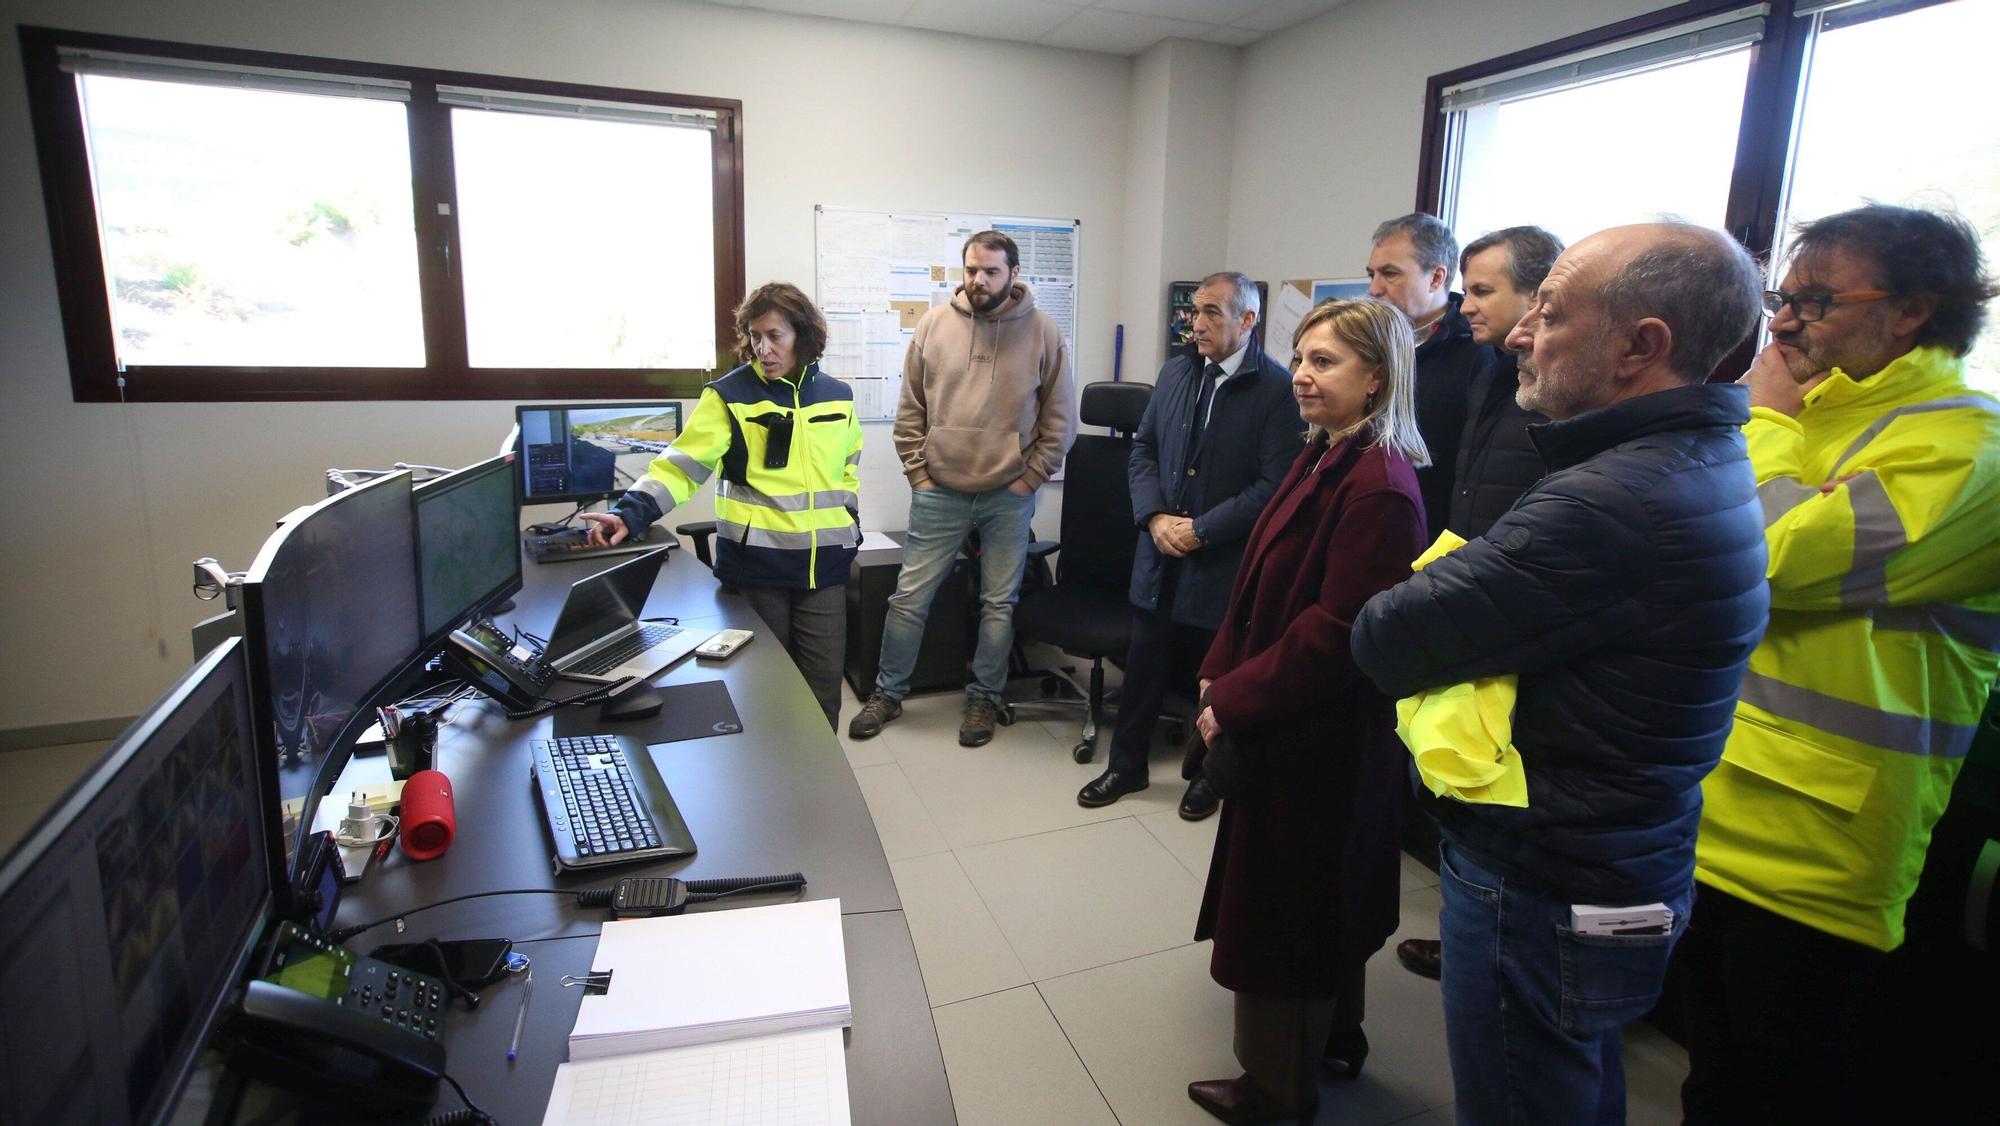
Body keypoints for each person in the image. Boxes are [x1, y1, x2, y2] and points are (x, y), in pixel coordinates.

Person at [1351, 222, 1770, 1124]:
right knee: (1573, 1084)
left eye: (1550, 313)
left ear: (1640, 347)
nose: (1517, 334)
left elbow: (1386, 635)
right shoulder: (1689, 456)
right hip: (1617, 849)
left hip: (1545, 873)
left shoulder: (1610, 500)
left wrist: (1444, 577)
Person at [1676, 205, 2000, 1125]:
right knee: (1713, 1076)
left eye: (1815, 300)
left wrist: (1765, 424)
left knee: (1793, 1086)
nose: (1784, 323)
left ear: (1912, 310)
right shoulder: (1815, 416)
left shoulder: (1968, 447)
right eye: (1783, 297)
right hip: (1711, 807)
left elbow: (1755, 555)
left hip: (1822, 846)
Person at [1184, 298, 1429, 1125]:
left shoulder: (1380, 485)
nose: (1300, 375)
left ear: (1377, 378)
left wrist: (1234, 698)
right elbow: (1257, 582)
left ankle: (1276, 1090)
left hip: (1320, 736)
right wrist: (1217, 673)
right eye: (1299, 358)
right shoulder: (1326, 451)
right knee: (1316, 901)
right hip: (1283, 713)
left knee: (1290, 912)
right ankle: (1334, 1039)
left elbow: (1337, 633)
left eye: (1324, 362)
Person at [1394, 224, 1563, 983]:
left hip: (1513, 606)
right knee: (1454, 774)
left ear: (1540, 296)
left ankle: (1488, 941)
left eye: (1484, 290)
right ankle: (1465, 926)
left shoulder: (1561, 389)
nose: (1467, 305)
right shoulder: (1492, 371)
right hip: (1465, 584)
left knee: (1496, 781)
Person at [582, 282, 861, 731]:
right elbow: (681, 466)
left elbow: (847, 467)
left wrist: (850, 522)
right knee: (764, 694)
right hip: (758, 569)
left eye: (775, 336)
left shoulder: (837, 395)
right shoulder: (729, 395)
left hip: (824, 568)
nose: (763, 349)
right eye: (755, 336)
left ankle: (820, 775)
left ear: (803, 335)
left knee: (822, 696)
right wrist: (629, 513)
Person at [1075, 271, 1296, 818]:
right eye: (1195, 312)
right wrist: (1153, 517)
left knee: (1215, 678)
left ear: (1248, 320)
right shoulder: (1175, 372)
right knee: (1143, 666)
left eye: (1212, 312)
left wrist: (1201, 530)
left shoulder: (1277, 390)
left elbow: (1272, 486)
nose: (1196, 323)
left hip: (1222, 563)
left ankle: (1206, 778)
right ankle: (1126, 766)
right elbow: (1143, 451)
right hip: (1160, 555)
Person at [848, 231, 1076, 747]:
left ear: (1013, 274)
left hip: (1008, 493)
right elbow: (910, 410)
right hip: (940, 490)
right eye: (972, 270)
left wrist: (1030, 479)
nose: (979, 280)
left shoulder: (1043, 331)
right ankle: (888, 692)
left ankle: (984, 697)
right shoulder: (933, 325)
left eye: (991, 271)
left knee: (999, 603)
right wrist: (919, 474)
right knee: (909, 598)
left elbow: (1060, 420)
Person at [1366, 212, 1494, 541]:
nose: (1374, 289)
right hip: (1370, 520)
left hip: (1433, 534)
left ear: (1436, 278)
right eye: (1372, 274)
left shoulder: (1478, 351)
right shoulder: (1368, 344)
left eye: (1390, 274)